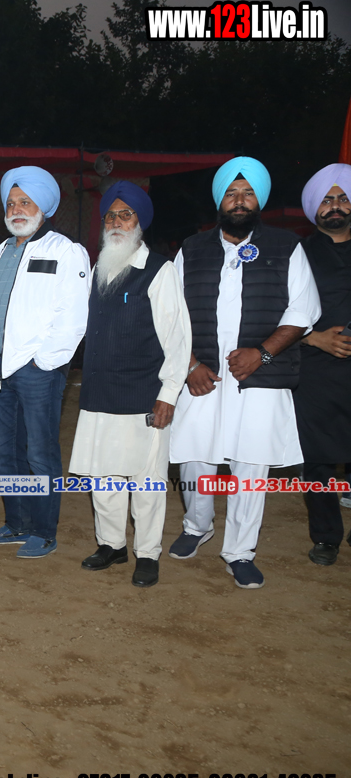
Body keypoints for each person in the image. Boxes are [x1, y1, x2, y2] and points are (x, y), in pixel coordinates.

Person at [169, 157, 320, 588]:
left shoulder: (287, 246)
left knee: (251, 465)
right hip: (202, 375)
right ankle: (197, 526)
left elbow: (304, 311)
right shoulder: (191, 248)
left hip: (261, 378)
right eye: (231, 193)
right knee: (195, 458)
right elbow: (170, 313)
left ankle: (240, 551)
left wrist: (262, 355)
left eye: (248, 193)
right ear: (219, 201)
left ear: (260, 200)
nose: (239, 201)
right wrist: (191, 365)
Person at [69, 182, 190, 587]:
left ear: (140, 222)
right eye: (111, 216)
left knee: (146, 481)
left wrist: (168, 394)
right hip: (99, 393)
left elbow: (178, 339)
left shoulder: (159, 270)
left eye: (126, 214)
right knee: (103, 477)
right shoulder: (99, 269)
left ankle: (148, 553)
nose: (117, 222)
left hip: (143, 396)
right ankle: (112, 544)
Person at [0, 166, 90, 558]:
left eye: (25, 202)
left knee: (40, 454)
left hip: (37, 371)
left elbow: (74, 316)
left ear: (44, 207)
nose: (16, 209)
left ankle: (43, 531)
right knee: (5, 453)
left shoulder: (65, 251)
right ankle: (16, 524)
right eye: (11, 203)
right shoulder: (3, 251)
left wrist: (43, 363)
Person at [292, 164, 351, 565]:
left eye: (342, 198)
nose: (335, 206)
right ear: (315, 208)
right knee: (318, 458)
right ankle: (326, 537)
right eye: (327, 200)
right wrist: (314, 338)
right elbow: (277, 311)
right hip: (316, 370)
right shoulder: (299, 254)